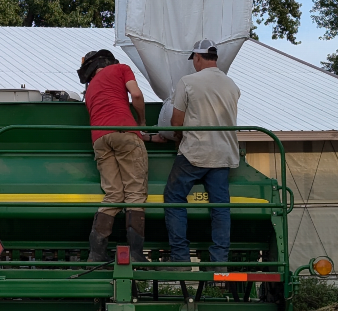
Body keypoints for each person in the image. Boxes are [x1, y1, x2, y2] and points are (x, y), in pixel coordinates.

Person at [77, 50, 160, 262]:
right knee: (134, 194)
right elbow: (137, 95)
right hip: (126, 135)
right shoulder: (121, 69)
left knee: (113, 194)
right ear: (110, 61)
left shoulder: (90, 90)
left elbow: (108, 122)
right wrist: (141, 124)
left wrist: (145, 137)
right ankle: (135, 254)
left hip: (100, 141)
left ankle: (96, 253)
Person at [164, 39, 241, 269]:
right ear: (214, 58)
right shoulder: (231, 85)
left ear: (198, 57)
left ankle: (180, 258)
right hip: (224, 154)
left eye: (194, 60)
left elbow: (176, 123)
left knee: (174, 197)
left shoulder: (187, 82)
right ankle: (219, 262)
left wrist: (177, 140)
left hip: (195, 153)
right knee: (220, 207)